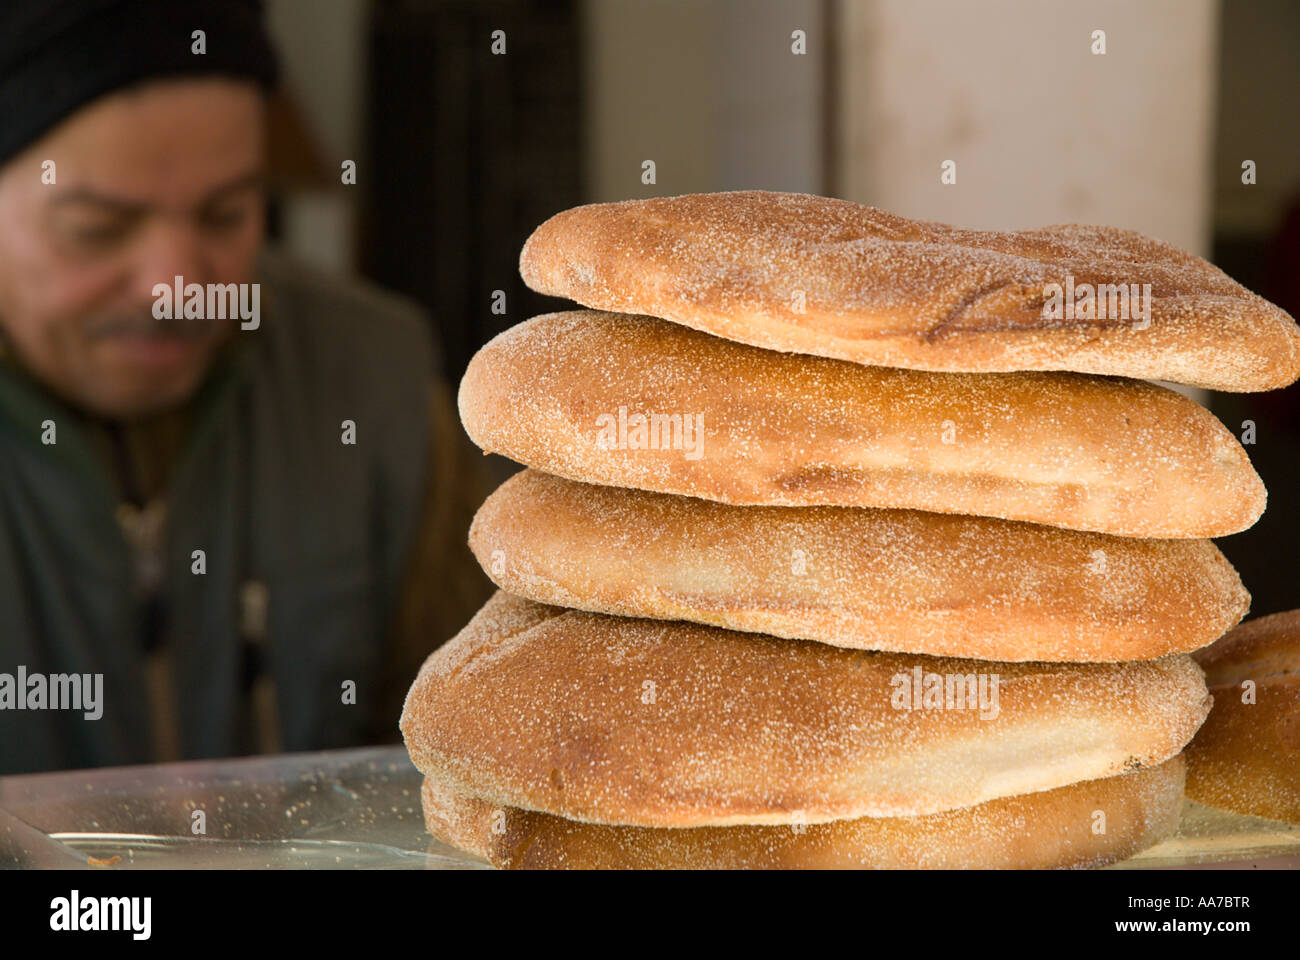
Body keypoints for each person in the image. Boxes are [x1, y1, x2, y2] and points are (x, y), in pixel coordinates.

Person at [0, 0, 493, 774]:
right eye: (96, 227)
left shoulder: (373, 378)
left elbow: (488, 753)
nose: (177, 289)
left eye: (227, 214)